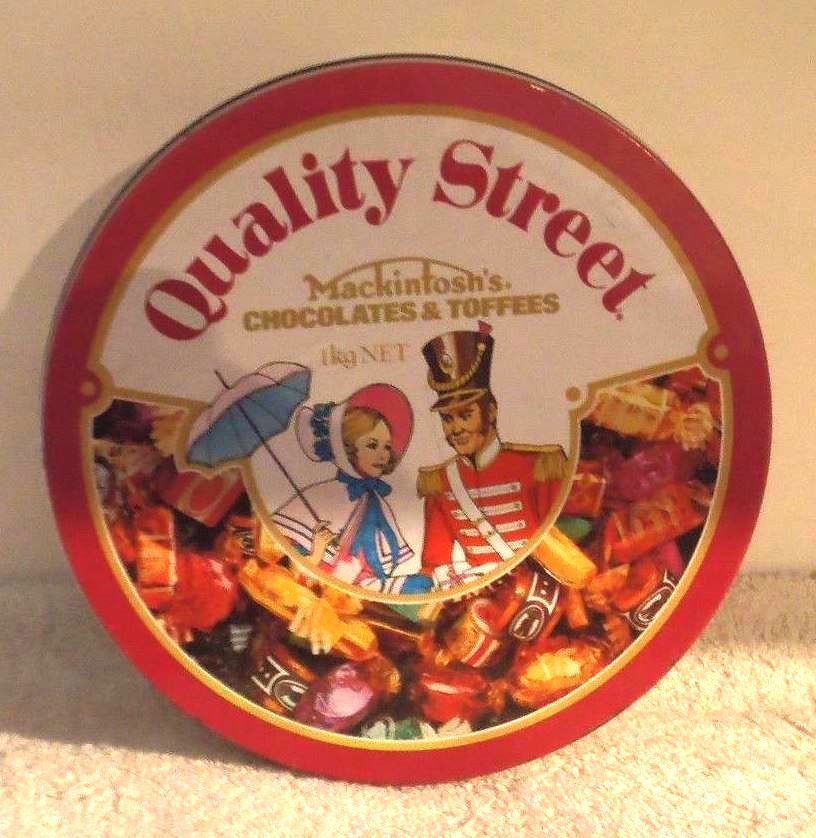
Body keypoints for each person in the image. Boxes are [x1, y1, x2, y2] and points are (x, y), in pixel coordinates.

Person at [417, 322, 568, 590]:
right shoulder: (439, 481)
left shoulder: (539, 465)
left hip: (542, 587)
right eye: (447, 419)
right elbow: (435, 564)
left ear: (491, 412)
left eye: (466, 415)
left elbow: (564, 543)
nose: (456, 429)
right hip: (483, 594)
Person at [273, 383, 431, 594]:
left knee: (421, 585)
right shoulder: (320, 495)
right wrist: (317, 552)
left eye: (387, 446)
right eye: (372, 445)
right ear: (347, 448)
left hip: (357, 586)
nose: (383, 454)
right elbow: (288, 566)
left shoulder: (376, 502)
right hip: (315, 586)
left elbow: (375, 567)